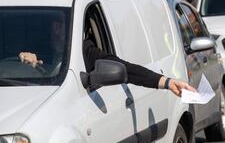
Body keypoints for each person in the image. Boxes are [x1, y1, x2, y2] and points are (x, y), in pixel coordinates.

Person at [19, 15, 195, 97]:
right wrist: (24, 62)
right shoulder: (36, 52)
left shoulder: (85, 50)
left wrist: (168, 82)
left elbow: (127, 69)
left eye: (62, 25)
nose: (57, 31)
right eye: (54, 26)